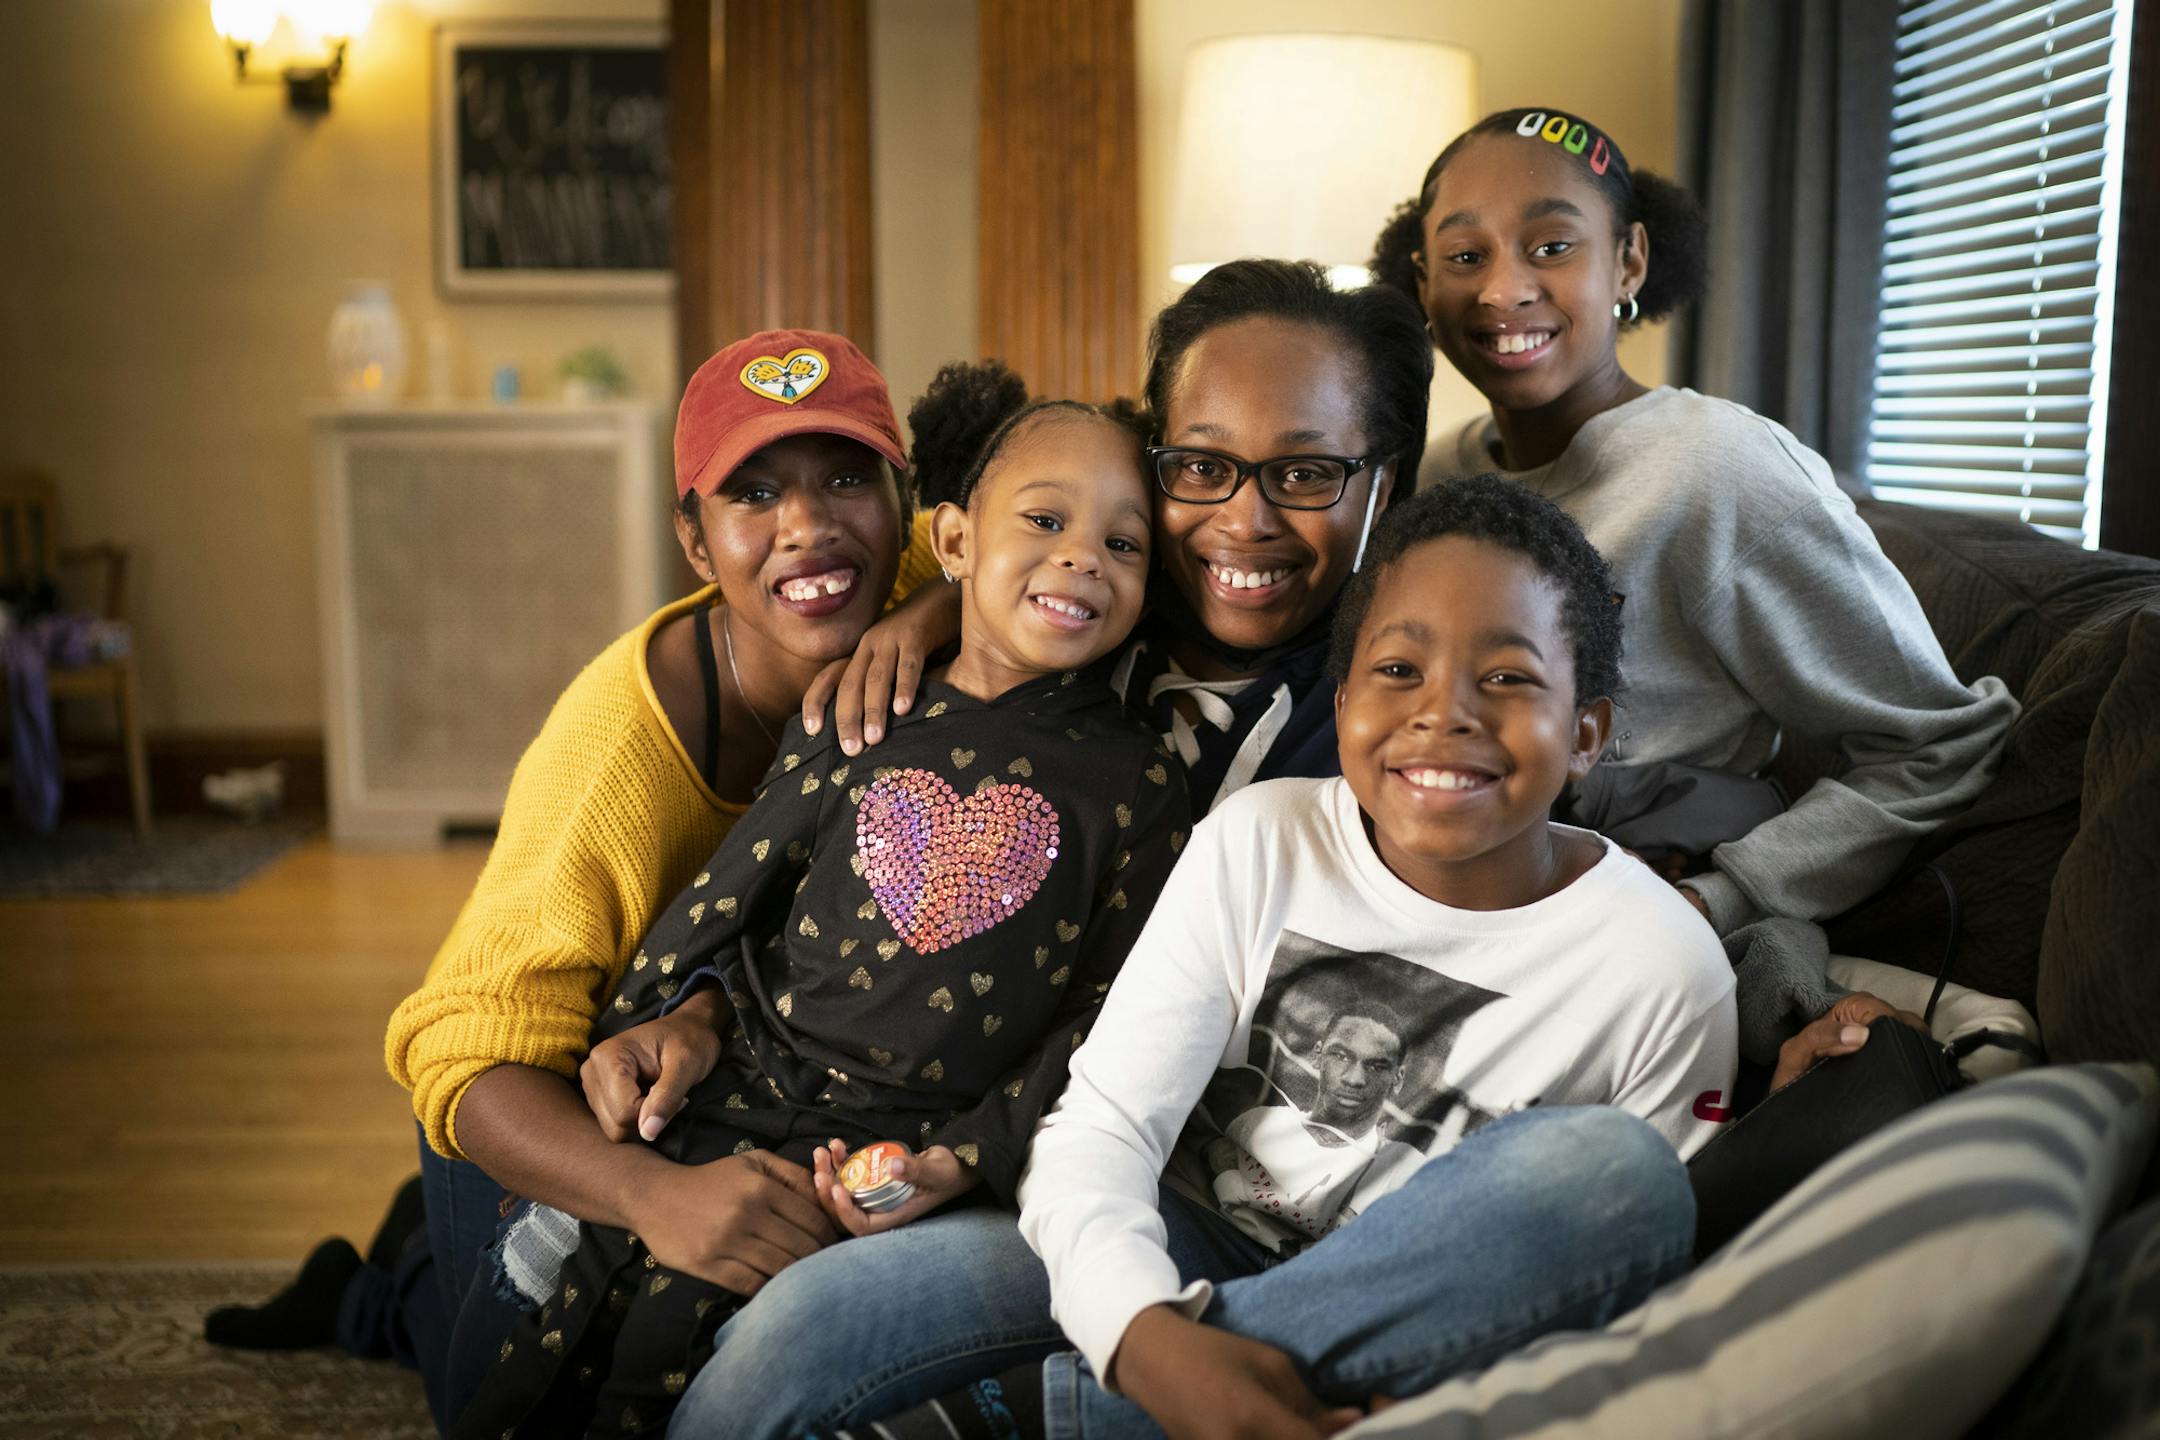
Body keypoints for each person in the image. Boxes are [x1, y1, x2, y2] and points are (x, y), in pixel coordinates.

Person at [868, 475, 1736, 1440]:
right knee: (816, 1323)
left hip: (1413, 1318)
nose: (1443, 713)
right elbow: (1107, 1125)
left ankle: (1063, 1418)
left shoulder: (1663, 966)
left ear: (1585, 735)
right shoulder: (1262, 837)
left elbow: (1634, 1276)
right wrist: (1146, 1341)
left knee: (1612, 1173)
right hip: (1189, 1236)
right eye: (1398, 669)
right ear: (1347, 695)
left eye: (1506, 678)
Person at [204, 329, 937, 1426]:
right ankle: (377, 1287)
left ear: (908, 504)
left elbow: (1035, 544)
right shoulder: (612, 758)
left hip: (710, 1068)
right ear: (694, 541)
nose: (808, 525)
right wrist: (655, 1201)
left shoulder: (916, 576)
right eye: (752, 494)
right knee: (490, 1393)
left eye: (846, 478)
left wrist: (930, 612)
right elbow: (464, 1056)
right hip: (543, 1097)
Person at [444, 365, 1192, 1439]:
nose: (1081, 554)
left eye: (1124, 544)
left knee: (687, 1352)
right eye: (754, 494)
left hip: (892, 1154)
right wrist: (681, 1019)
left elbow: (1109, 1014)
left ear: (904, 513)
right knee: (535, 1339)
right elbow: (730, 907)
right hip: (630, 1094)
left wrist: (965, 1156)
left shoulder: (1134, 780)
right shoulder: (829, 718)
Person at [1368, 107, 2017, 955]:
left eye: (1552, 246)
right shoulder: (1432, 477)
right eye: (1465, 257)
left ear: (1628, 259)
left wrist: (1719, 902)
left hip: (1619, 926)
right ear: (1422, 281)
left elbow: (1940, 745)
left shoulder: (1719, 469)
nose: (1503, 289)